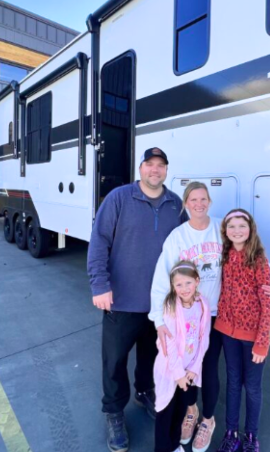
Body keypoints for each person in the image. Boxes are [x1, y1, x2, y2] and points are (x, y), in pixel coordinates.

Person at [149, 182, 270, 452]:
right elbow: (162, 278)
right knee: (186, 368)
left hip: (217, 316)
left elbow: (254, 255)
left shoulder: (223, 230)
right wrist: (159, 319)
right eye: (193, 200)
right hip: (187, 318)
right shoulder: (178, 237)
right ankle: (191, 412)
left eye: (203, 199)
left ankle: (208, 421)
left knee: (207, 370)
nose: (198, 204)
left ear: (209, 201)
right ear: (185, 204)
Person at [87, 147, 187, 452]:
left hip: (160, 305)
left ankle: (144, 392)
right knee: (115, 361)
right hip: (121, 301)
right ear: (140, 168)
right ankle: (114, 412)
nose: (154, 170)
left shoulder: (175, 204)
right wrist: (99, 284)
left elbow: (188, 245)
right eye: (149, 165)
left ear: (166, 171)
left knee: (152, 358)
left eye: (160, 166)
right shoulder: (119, 198)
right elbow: (99, 240)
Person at [215, 209, 270, 452]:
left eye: (242, 225)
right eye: (232, 226)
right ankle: (231, 433)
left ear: (251, 229)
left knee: (252, 387)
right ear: (225, 231)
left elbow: (267, 305)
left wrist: (262, 342)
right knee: (232, 382)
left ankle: (251, 436)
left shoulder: (259, 260)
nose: (237, 230)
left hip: (252, 338)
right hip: (228, 333)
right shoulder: (224, 255)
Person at [154, 260, 211, 452]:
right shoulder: (171, 306)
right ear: (173, 286)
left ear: (197, 281)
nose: (184, 288)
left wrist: (194, 368)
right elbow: (168, 343)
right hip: (171, 371)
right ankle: (162, 448)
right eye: (179, 285)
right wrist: (178, 374)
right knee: (165, 412)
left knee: (180, 410)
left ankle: (174, 445)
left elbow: (204, 338)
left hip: (188, 372)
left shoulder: (202, 304)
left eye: (188, 283)